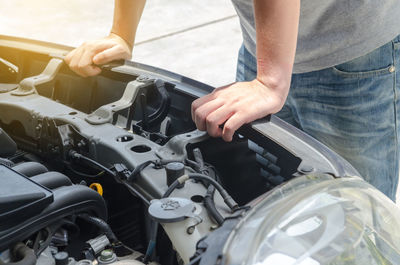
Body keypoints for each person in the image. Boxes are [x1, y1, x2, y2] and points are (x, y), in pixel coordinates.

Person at [65, 0, 400, 201]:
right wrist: (121, 32)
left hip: (352, 54)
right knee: (265, 196)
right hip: (265, 50)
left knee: (356, 209)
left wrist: (270, 81)